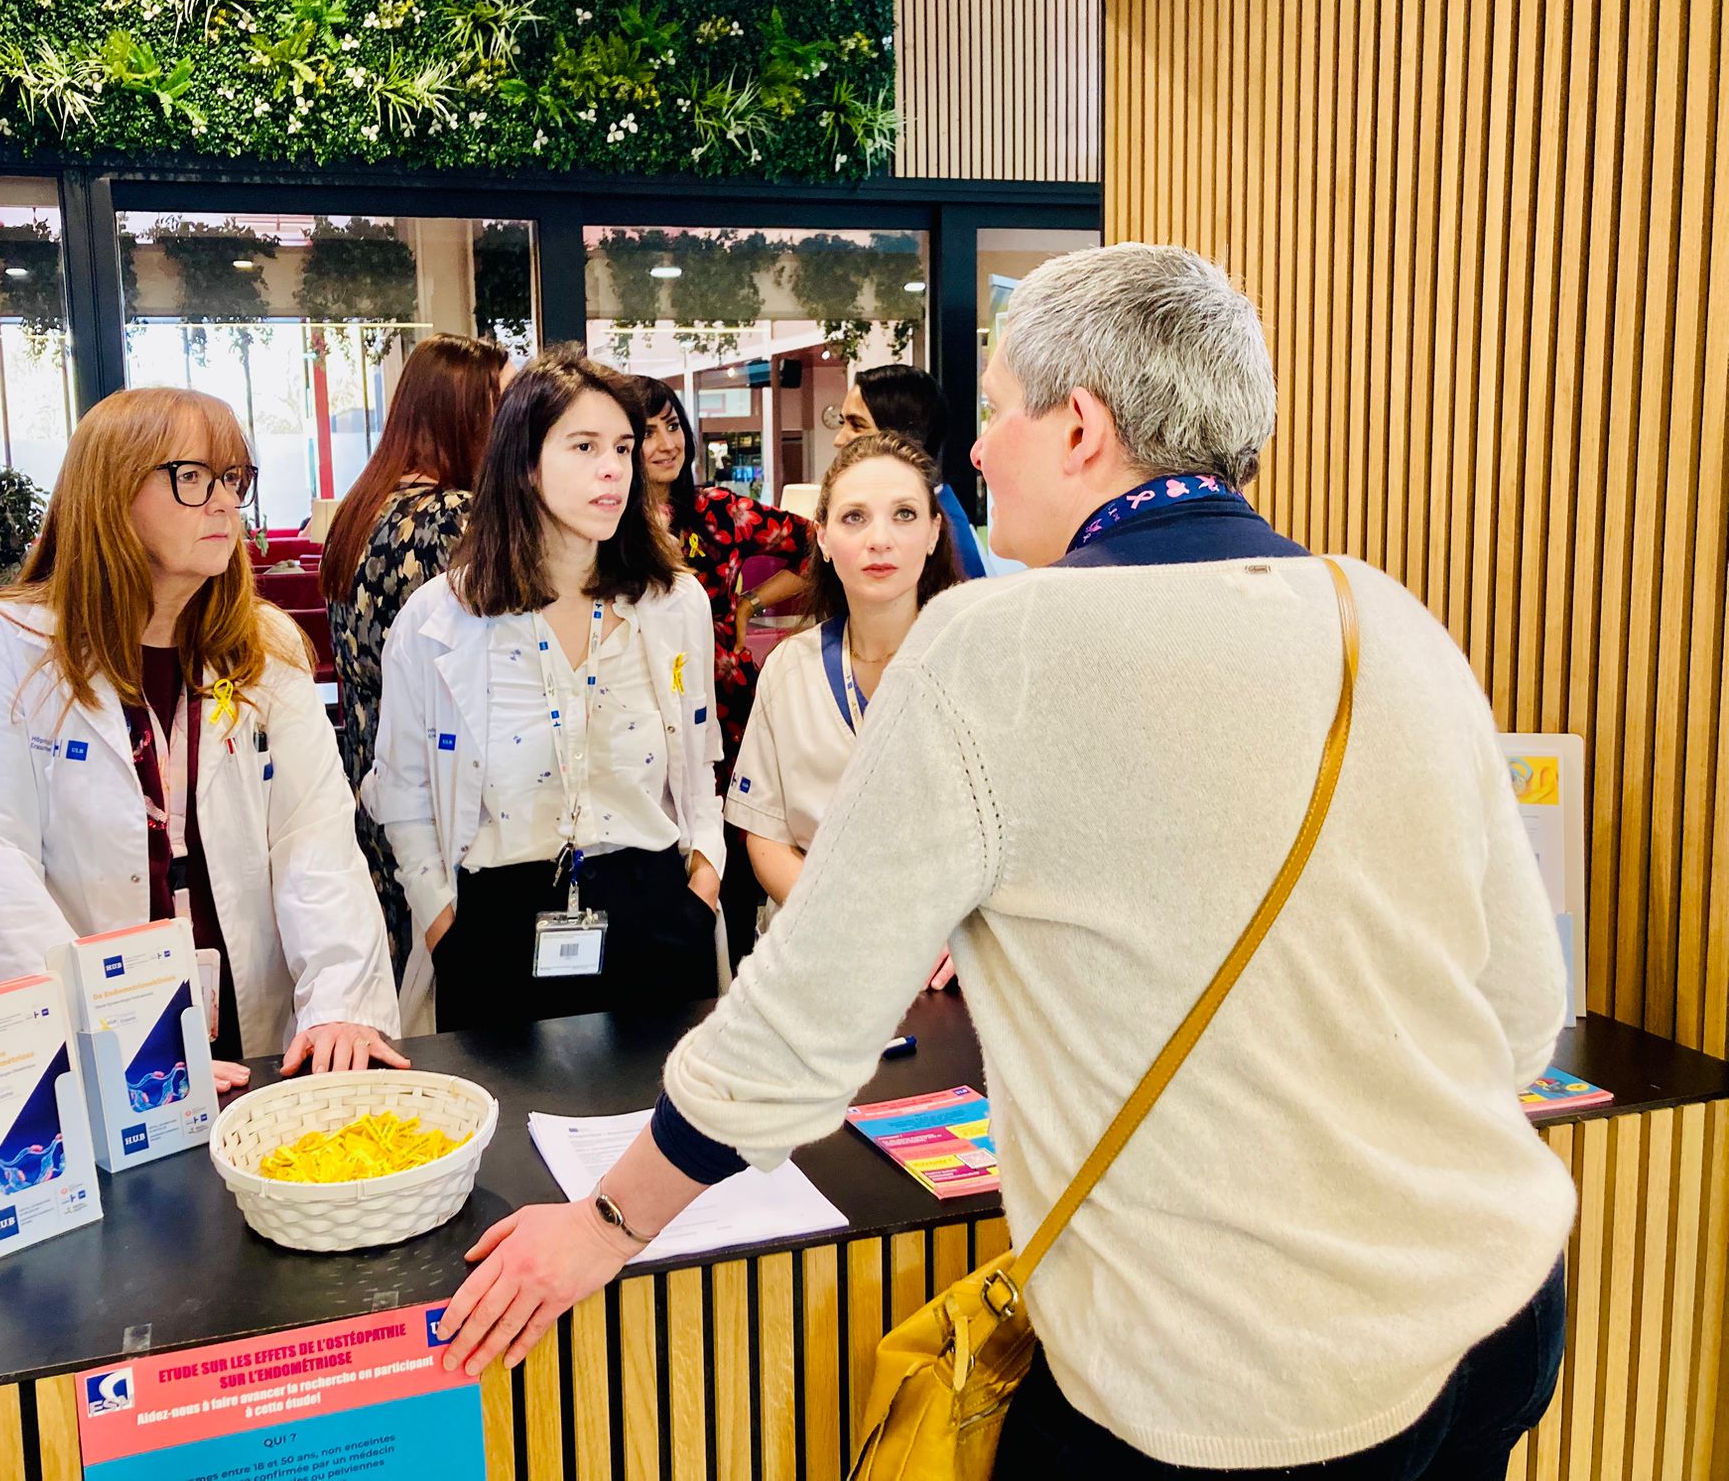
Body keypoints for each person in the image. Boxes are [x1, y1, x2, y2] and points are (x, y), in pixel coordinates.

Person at [432, 245, 1574, 1480]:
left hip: (1234, 1375)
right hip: (1496, 1302)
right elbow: (1519, 1014)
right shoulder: (1381, 617)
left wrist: (605, 1225)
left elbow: (799, 1030)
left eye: (995, 412)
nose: (973, 452)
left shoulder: (993, 646)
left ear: (1080, 427)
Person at [0, 386, 403, 1083]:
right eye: (192, 477)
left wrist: (339, 1003)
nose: (224, 503)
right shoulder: (10, 645)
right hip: (96, 1049)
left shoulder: (265, 645)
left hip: (252, 1035)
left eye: (233, 478)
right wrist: (120, 1045)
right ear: (111, 491)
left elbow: (315, 840)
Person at [367, 348, 724, 1035]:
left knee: (659, 1102)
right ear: (525, 462)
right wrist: (443, 925)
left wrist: (702, 886)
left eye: (623, 447)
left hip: (655, 913)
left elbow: (699, 762)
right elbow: (403, 793)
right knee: (503, 1105)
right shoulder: (441, 619)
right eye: (584, 446)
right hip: (497, 924)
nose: (613, 468)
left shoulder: (674, 603)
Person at [728, 430, 960, 977]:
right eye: (855, 517)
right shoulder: (790, 668)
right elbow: (765, 836)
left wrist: (952, 935)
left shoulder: (976, 663)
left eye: (904, 515)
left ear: (933, 532)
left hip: (941, 960)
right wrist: (846, 922)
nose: (879, 539)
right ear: (824, 538)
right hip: (816, 947)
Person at [322, 334, 510, 976]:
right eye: (504, 406)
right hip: (435, 778)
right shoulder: (455, 517)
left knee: (395, 956)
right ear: (469, 415)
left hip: (368, 761)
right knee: (450, 974)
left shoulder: (362, 507)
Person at [633, 375, 810, 963]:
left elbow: (816, 545)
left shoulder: (718, 511)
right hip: (642, 714)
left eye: (673, 426)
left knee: (733, 859)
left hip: (727, 709)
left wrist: (750, 604)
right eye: (647, 432)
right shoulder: (609, 525)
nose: (666, 443)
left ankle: (733, 984)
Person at [833, 361, 987, 578]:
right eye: (842, 423)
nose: (839, 440)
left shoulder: (946, 539)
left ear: (902, 436)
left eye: (857, 425)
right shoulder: (930, 508)